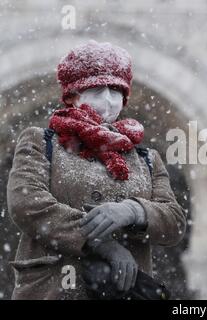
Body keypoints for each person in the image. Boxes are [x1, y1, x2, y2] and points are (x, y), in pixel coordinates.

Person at [7, 40, 186, 299]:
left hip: (121, 291)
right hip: (55, 289)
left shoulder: (147, 158)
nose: (108, 100)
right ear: (73, 95)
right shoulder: (42, 142)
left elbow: (174, 221)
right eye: (96, 89)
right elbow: (28, 204)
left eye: (115, 91)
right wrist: (98, 243)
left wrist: (132, 211)